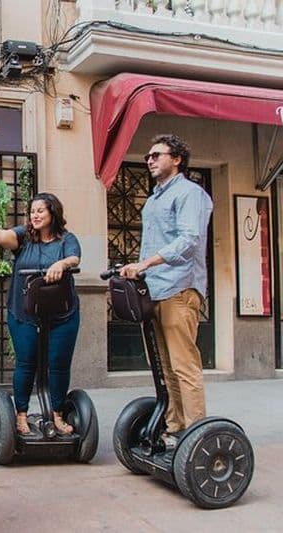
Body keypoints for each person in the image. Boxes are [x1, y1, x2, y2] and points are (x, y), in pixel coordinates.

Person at [0, 192, 81, 436]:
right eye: (32, 211)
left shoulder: (66, 239)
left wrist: (61, 264)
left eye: (40, 211)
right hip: (24, 313)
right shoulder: (24, 237)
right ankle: (21, 415)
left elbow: (74, 257)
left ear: (52, 213)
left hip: (62, 315)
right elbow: (2, 235)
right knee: (26, 363)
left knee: (58, 365)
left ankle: (56, 414)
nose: (34, 215)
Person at [119, 134, 213, 447]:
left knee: (184, 365)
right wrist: (140, 269)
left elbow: (189, 241)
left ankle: (197, 436)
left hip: (180, 288)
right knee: (164, 366)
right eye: (148, 155)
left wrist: (145, 264)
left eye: (157, 154)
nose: (150, 159)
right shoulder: (154, 199)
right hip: (155, 290)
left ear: (177, 159)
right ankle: (175, 429)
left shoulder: (190, 193)